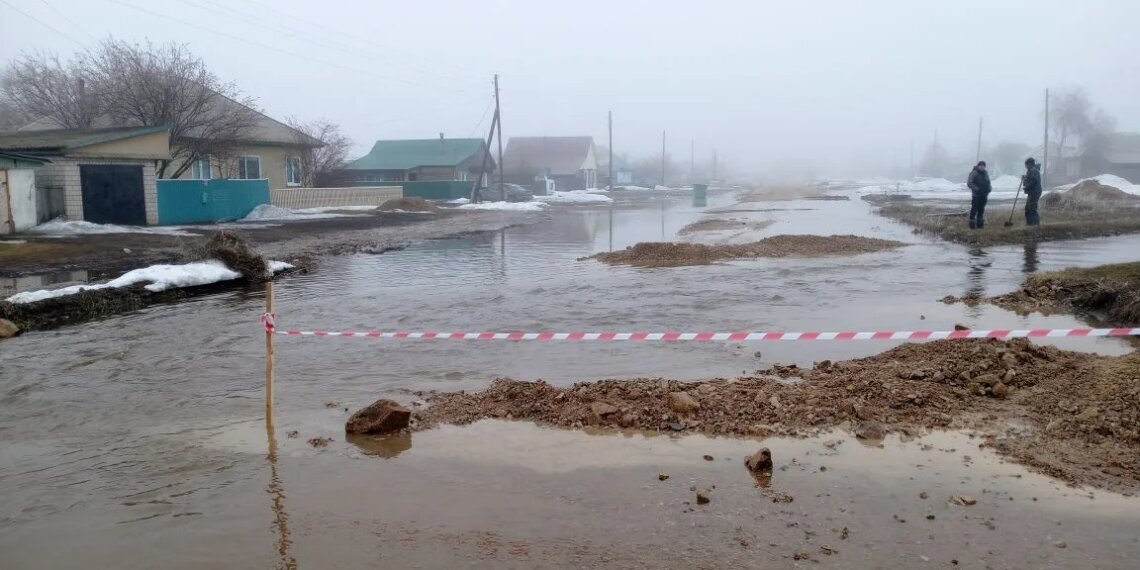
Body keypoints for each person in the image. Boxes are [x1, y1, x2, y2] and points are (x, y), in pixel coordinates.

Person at [966, 161, 991, 229]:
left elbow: (988, 182)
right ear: (978, 166)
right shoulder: (974, 173)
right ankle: (972, 225)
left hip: (984, 195)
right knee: (974, 209)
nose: (982, 167)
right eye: (981, 166)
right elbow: (969, 183)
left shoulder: (985, 173)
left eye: (983, 166)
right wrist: (977, 189)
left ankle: (980, 225)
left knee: (981, 209)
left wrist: (989, 189)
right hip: (976, 195)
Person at [1022, 157, 1042, 226]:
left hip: (1035, 192)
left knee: (1032, 209)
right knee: (1028, 208)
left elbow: (1034, 181)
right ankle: (1030, 224)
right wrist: (1025, 179)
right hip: (1032, 192)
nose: (1026, 166)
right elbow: (1028, 180)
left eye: (1026, 165)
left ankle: (1035, 225)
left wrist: (1027, 186)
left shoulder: (1034, 170)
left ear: (1030, 164)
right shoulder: (1030, 171)